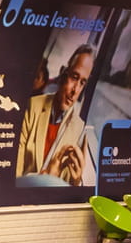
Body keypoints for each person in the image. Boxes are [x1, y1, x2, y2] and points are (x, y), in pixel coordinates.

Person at [17, 44, 96, 187]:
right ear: (63, 74)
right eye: (74, 77)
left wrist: (76, 181)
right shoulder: (32, 107)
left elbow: (70, 190)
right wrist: (46, 179)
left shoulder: (79, 128)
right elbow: (14, 175)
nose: (75, 90)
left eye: (82, 83)